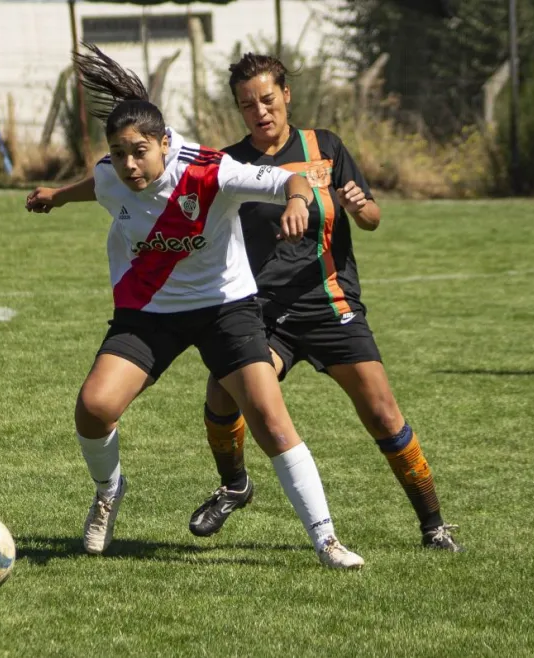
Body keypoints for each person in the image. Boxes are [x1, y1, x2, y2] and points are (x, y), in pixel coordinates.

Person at [26, 44, 364, 569]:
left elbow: (289, 179)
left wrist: (299, 200)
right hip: (148, 311)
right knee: (94, 410)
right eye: (119, 152)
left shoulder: (212, 171)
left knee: (272, 423)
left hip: (224, 309)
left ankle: (326, 541)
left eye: (140, 151)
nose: (130, 164)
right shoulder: (115, 174)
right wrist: (56, 195)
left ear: (165, 143)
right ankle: (108, 492)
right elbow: (97, 184)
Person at [186, 53, 462, 552]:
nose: (260, 112)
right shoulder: (228, 164)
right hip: (261, 312)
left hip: (329, 301)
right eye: (248, 105)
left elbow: (373, 217)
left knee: (381, 412)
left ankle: (434, 524)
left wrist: (361, 208)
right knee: (225, 392)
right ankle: (234, 486)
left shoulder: (325, 147)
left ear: (286, 95)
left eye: (268, 100)